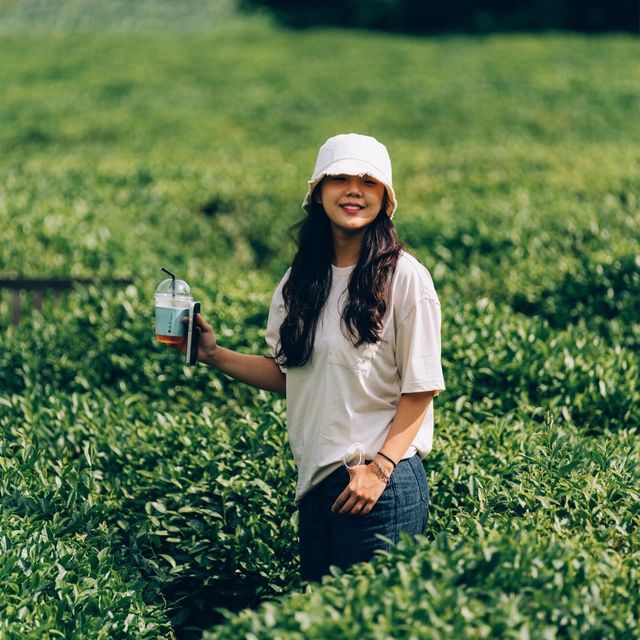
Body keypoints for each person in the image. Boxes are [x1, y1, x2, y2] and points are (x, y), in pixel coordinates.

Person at [180, 133, 445, 583]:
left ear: (386, 197)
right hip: (319, 486)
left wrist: (379, 471)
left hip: (382, 482)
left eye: (368, 181)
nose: (354, 190)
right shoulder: (299, 280)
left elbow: (421, 386)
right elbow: (292, 375)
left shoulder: (405, 277)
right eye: (339, 178)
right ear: (317, 193)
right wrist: (213, 354)